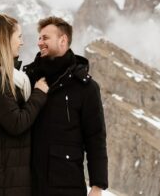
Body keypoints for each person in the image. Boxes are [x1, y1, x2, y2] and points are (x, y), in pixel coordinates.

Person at [23, 16, 108, 196]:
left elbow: (95, 137)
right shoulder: (29, 79)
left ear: (63, 40)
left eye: (45, 38)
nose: (39, 43)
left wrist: (97, 185)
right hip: (28, 185)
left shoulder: (86, 87)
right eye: (39, 38)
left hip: (67, 186)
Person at [0, 13, 50, 196]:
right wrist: (39, 93)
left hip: (4, 180)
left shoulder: (4, 76)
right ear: (6, 39)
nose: (21, 42)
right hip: (1, 185)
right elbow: (16, 123)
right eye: (19, 37)